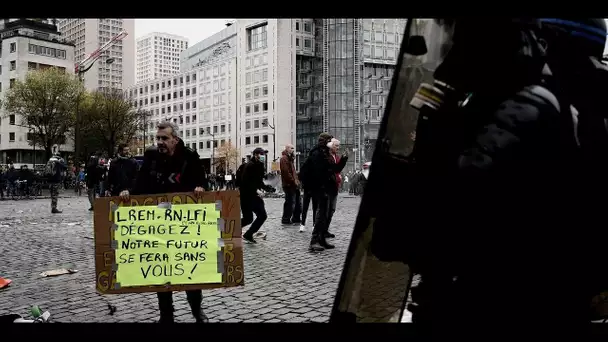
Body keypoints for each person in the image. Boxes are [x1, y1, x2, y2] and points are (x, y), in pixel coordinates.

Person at [127, 121, 209, 323]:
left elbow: (202, 181)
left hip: (184, 224)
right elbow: (141, 183)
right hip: (158, 223)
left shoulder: (190, 156)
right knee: (161, 268)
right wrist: (128, 193)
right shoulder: (151, 156)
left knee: (189, 268)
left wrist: (199, 187)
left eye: (165, 138)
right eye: (158, 138)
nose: (160, 142)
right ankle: (166, 315)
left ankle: (197, 310)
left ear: (175, 140)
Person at [306, 133, 336, 252]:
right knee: (320, 216)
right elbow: (318, 173)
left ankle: (322, 239)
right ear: (324, 141)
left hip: (326, 188)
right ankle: (313, 242)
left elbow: (331, 170)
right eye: (329, 140)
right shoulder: (317, 153)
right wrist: (322, 188)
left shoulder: (325, 152)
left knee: (324, 216)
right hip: (319, 189)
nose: (331, 142)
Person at [239, 148, 274, 243]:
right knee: (249, 218)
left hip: (253, 196)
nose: (263, 156)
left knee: (260, 216)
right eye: (261, 154)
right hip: (246, 196)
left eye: (264, 154)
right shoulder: (249, 166)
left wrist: (267, 188)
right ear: (255, 155)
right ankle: (232, 230)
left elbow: (259, 181)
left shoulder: (260, 165)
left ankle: (248, 234)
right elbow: (245, 182)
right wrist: (256, 190)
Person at [326, 139, 348, 237]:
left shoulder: (336, 157)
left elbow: (338, 169)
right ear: (331, 146)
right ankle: (322, 231)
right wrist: (343, 159)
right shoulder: (328, 157)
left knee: (332, 209)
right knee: (326, 211)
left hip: (334, 187)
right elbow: (335, 169)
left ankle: (325, 230)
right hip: (328, 187)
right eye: (336, 146)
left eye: (339, 146)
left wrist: (343, 158)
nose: (338, 148)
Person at [279, 144, 302, 225]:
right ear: (287, 149)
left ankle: (296, 218)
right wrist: (293, 181)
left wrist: (296, 181)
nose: (293, 149)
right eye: (291, 148)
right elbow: (286, 172)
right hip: (289, 184)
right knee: (290, 202)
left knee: (297, 202)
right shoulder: (284, 159)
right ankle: (286, 219)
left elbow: (292, 172)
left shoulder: (290, 159)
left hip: (293, 184)